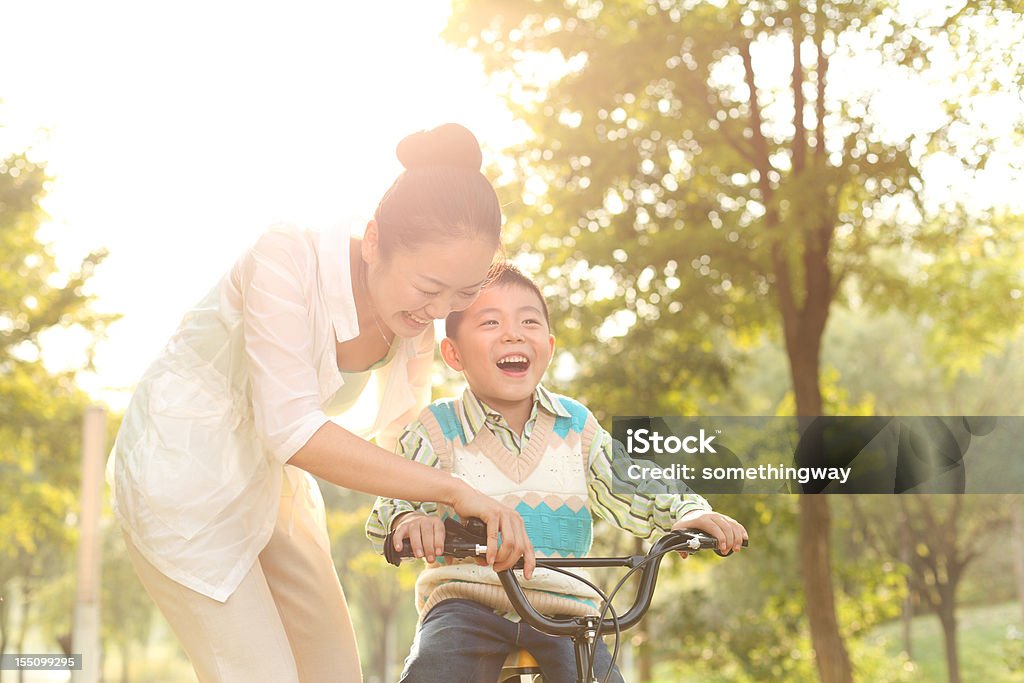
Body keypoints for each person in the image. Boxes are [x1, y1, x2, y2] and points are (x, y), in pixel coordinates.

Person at [107, 123, 536, 683]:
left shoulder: (411, 323)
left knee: (335, 671)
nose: (438, 310)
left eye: (462, 294)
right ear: (376, 239)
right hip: (180, 478)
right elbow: (291, 427)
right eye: (430, 287)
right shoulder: (286, 256)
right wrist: (451, 490)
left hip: (269, 484)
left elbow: (407, 442)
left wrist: (431, 507)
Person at [366, 264, 748, 683]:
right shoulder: (435, 428)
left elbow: (629, 480)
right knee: (432, 672)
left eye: (528, 321)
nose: (513, 333)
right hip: (466, 604)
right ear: (453, 353)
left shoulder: (575, 425)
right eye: (490, 322)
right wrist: (409, 522)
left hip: (564, 610)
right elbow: (392, 500)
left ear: (547, 347)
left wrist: (684, 512)